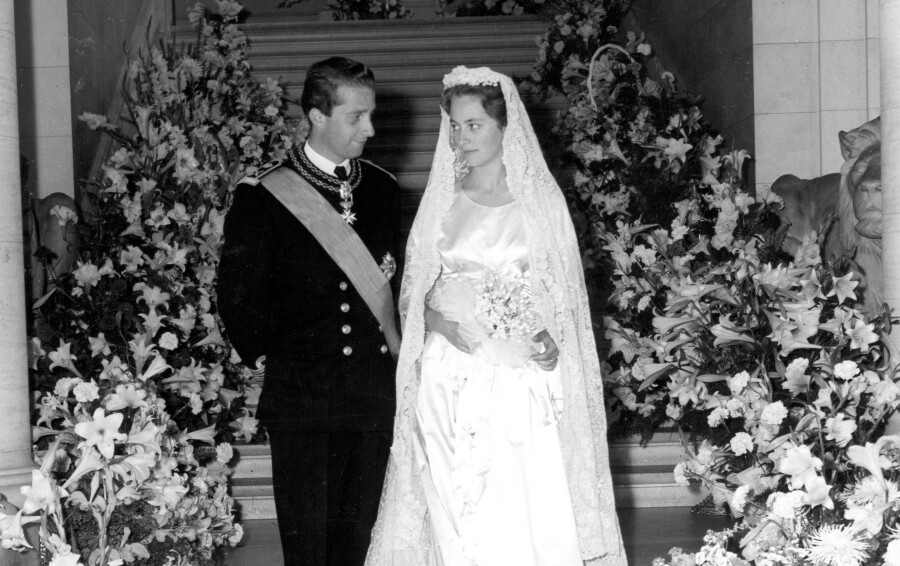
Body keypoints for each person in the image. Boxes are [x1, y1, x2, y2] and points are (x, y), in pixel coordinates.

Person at [365, 66, 627, 566]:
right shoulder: (441, 204)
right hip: (448, 377)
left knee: (515, 503)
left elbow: (562, 297)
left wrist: (549, 336)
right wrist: (440, 323)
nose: (461, 139)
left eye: (474, 125)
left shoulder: (542, 206)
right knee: (452, 499)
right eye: (455, 126)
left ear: (506, 128)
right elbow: (415, 293)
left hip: (518, 380)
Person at [217, 56, 400, 566]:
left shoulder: (382, 190)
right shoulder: (265, 195)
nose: (370, 127)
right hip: (304, 397)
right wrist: (284, 360)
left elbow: (397, 284)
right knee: (308, 548)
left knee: (358, 540)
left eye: (372, 114)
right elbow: (237, 298)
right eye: (356, 116)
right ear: (317, 116)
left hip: (369, 391)